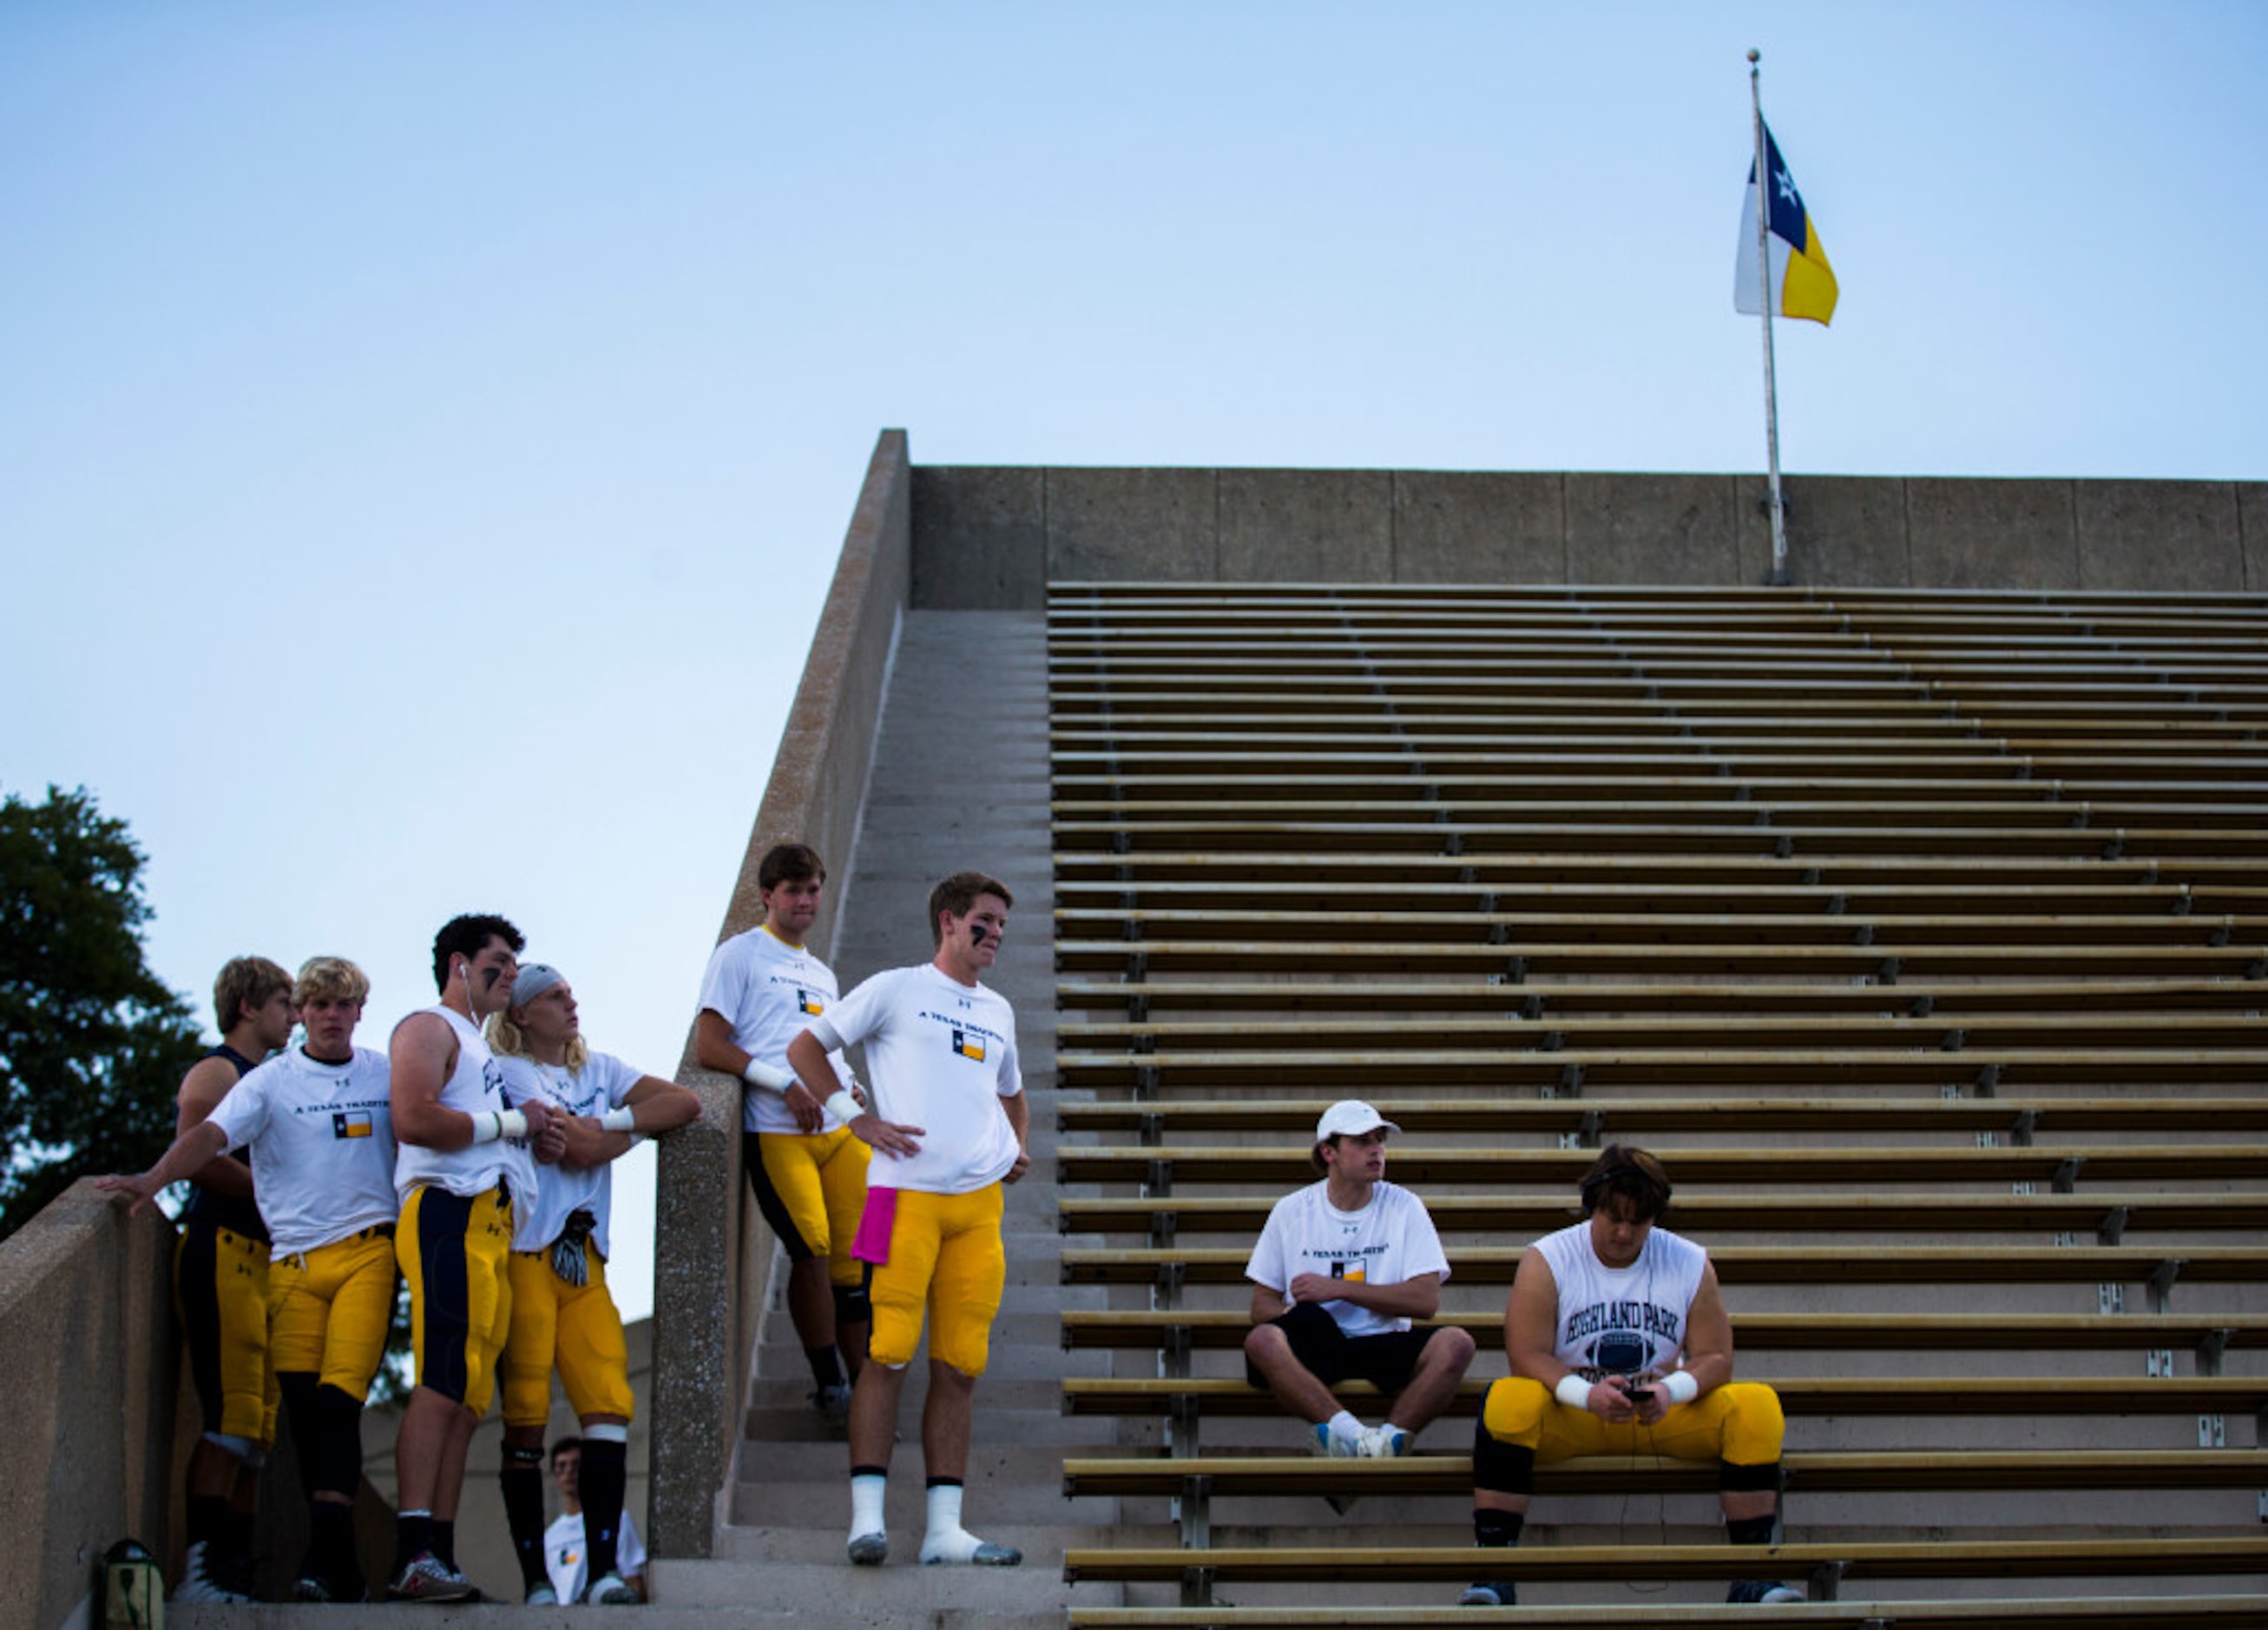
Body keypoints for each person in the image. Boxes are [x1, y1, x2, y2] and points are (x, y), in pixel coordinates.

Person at [100, 957, 398, 1605]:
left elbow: (432, 1115)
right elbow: (203, 1138)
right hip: (248, 1253)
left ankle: (257, 1569)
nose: (311, 1015)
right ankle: (206, 1571)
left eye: (333, 1004)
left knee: (279, 1426)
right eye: (303, 1003)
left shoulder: (381, 1069)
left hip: (339, 1254)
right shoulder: (248, 1076)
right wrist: (154, 1178)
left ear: (357, 1011)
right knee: (246, 1419)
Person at [783, 871, 1029, 1569]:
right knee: (886, 1350)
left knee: (961, 1364)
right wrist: (854, 1118)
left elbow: (1013, 1092)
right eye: (985, 922)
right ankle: (866, 1519)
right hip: (898, 1198)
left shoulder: (999, 1010)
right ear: (948, 921)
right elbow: (806, 1049)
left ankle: (944, 1530)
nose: (995, 936)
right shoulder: (896, 987)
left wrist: (1015, 1146)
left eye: (1003, 927)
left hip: (978, 1208)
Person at [1462, 1146, 1800, 1608]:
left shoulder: (1688, 1260)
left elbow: (1717, 1356)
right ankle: (1495, 1569)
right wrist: (1585, 1394)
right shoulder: (1550, 1256)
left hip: (1659, 1415)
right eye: (1612, 1218)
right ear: (1592, 1207)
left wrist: (1670, 1389)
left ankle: (1753, 1571)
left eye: (1637, 1222)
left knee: (1757, 1404)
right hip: (1575, 1410)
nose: (1623, 1233)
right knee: (1507, 1398)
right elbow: (1526, 1354)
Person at [490, 963, 699, 1606]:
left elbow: (682, 1103)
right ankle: (535, 1582)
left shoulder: (598, 1069)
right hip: (528, 1254)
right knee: (525, 1414)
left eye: (571, 994)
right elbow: (569, 1151)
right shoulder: (511, 1071)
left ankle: (606, 1569)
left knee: (608, 1405)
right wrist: (620, 1131)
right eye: (555, 996)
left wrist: (609, 1127)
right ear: (522, 1014)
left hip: (586, 1263)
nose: (571, 1004)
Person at [386, 913, 566, 1602]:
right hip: (448, 1208)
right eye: (499, 962)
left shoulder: (483, 1050)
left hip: (492, 1223)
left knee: (466, 1396)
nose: (509, 975)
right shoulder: (427, 1026)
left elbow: (502, 1127)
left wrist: (533, 1135)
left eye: (515, 967)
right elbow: (414, 1116)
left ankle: (439, 1551)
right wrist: (512, 1123)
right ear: (460, 963)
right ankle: (411, 1552)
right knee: (440, 1380)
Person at [694, 842, 873, 1423]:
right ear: (767, 895)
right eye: (792, 890)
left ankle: (866, 1388)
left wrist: (847, 1088)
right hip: (777, 1128)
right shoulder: (739, 954)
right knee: (812, 1250)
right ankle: (829, 1385)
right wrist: (784, 1085)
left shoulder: (821, 972)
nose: (805, 901)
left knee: (858, 1262)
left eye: (813, 889)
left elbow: (822, 1043)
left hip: (837, 1127)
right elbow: (710, 1045)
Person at [163, 955, 297, 1602]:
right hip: (221, 1250)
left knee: (259, 1430)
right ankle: (199, 1571)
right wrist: (277, 1200)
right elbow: (197, 1153)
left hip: (261, 1259)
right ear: (247, 1006)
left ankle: (231, 1572)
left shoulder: (271, 1078)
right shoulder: (218, 1070)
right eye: (283, 1002)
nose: (296, 1016)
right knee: (230, 1418)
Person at [1244, 1101, 1476, 1459]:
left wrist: (1339, 1289)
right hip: (1319, 1341)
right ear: (1328, 1151)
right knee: (1262, 1341)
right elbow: (1261, 1306)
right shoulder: (1292, 1210)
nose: (1376, 1151)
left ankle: (1385, 1441)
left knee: (1457, 1344)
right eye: (1362, 1142)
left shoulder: (1404, 1205)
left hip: (1384, 1339)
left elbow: (1425, 1302)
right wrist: (1294, 1315)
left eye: (1379, 1140)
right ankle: (1354, 1437)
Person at [543, 1436, 648, 1606]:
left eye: (576, 1465)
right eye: (562, 1466)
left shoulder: (617, 1520)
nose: (569, 1472)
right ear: (555, 1475)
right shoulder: (551, 1535)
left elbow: (633, 1581)